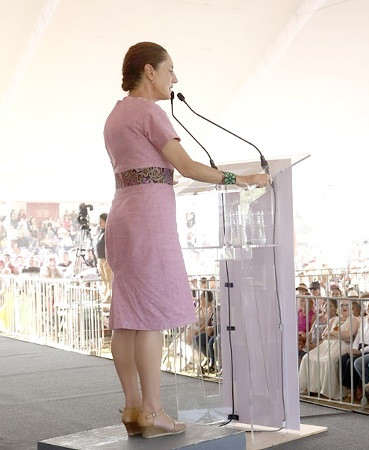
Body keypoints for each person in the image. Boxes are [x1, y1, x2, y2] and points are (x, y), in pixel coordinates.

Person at [104, 42, 269, 439]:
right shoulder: (150, 112)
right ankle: (153, 411)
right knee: (150, 318)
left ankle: (131, 407)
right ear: (149, 71)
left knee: (127, 318)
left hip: (123, 215)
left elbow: (146, 168)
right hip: (149, 221)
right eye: (170, 70)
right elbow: (188, 165)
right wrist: (241, 179)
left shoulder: (115, 114)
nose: (174, 79)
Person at [96, 213, 113, 302]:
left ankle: (109, 295)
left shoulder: (109, 232)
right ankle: (104, 295)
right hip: (100, 258)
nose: (99, 223)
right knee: (102, 278)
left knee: (108, 278)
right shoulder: (101, 232)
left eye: (101, 221)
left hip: (106, 259)